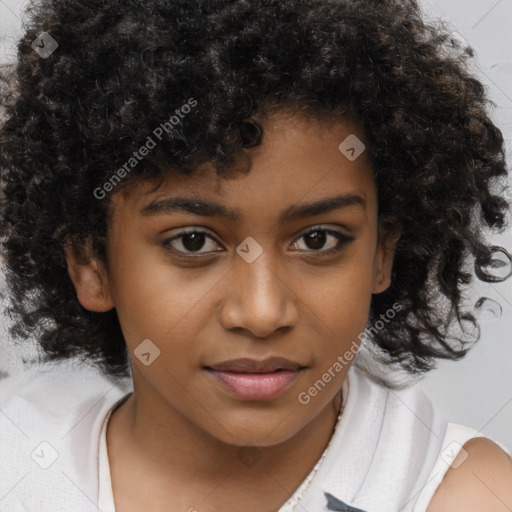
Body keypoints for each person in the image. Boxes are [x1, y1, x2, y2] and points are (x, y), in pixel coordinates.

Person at [0, 0, 511, 510]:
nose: (263, 313)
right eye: (193, 241)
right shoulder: (18, 462)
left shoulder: (463, 495)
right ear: (91, 264)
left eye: (318, 239)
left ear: (382, 253)